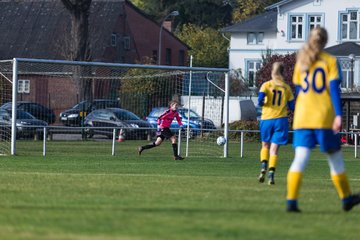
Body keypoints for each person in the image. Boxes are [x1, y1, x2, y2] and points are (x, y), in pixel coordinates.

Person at [286, 27, 360, 212]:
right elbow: (334, 90)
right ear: (325, 41)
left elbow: (298, 91)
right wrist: (338, 115)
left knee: (300, 158)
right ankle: (346, 199)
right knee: (335, 158)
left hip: (303, 117)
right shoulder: (329, 61)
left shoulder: (301, 61)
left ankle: (291, 201)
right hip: (323, 117)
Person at [258, 62, 295, 185]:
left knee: (265, 146)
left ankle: (263, 165)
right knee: (274, 151)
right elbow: (292, 106)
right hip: (281, 120)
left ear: (272, 72)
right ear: (283, 73)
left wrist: (263, 103)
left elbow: (260, 101)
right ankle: (271, 174)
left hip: (267, 119)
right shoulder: (286, 87)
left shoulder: (266, 85)